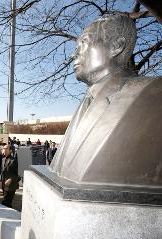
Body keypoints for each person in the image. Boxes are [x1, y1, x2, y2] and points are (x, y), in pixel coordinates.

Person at [50, 14, 162, 186]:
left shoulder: (151, 95)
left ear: (116, 46)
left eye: (84, 43)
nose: (74, 54)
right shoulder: (86, 101)